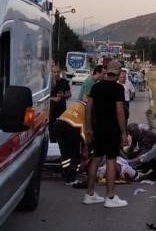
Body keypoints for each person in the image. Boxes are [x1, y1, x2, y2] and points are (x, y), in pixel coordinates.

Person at [83, 66, 129, 207]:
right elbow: (119, 111)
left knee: (96, 159)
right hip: (112, 130)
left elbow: (88, 108)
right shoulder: (118, 89)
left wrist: (88, 128)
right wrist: (123, 132)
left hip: (98, 129)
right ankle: (110, 197)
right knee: (111, 161)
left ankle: (89, 194)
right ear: (117, 74)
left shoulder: (96, 87)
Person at [54, 100, 88, 186]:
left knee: (65, 153)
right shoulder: (89, 109)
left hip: (58, 125)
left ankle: (66, 173)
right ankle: (70, 179)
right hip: (72, 127)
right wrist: (85, 144)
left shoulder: (77, 103)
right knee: (75, 155)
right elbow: (86, 128)